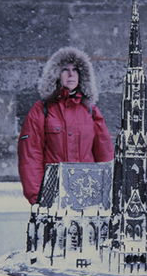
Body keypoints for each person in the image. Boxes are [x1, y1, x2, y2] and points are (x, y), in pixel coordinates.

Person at [17, 47, 115, 205]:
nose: (71, 74)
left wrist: (106, 194)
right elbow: (30, 156)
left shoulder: (90, 111)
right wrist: (37, 197)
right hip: (53, 195)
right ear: (56, 75)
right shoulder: (42, 110)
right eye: (65, 70)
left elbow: (105, 156)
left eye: (75, 70)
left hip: (86, 195)